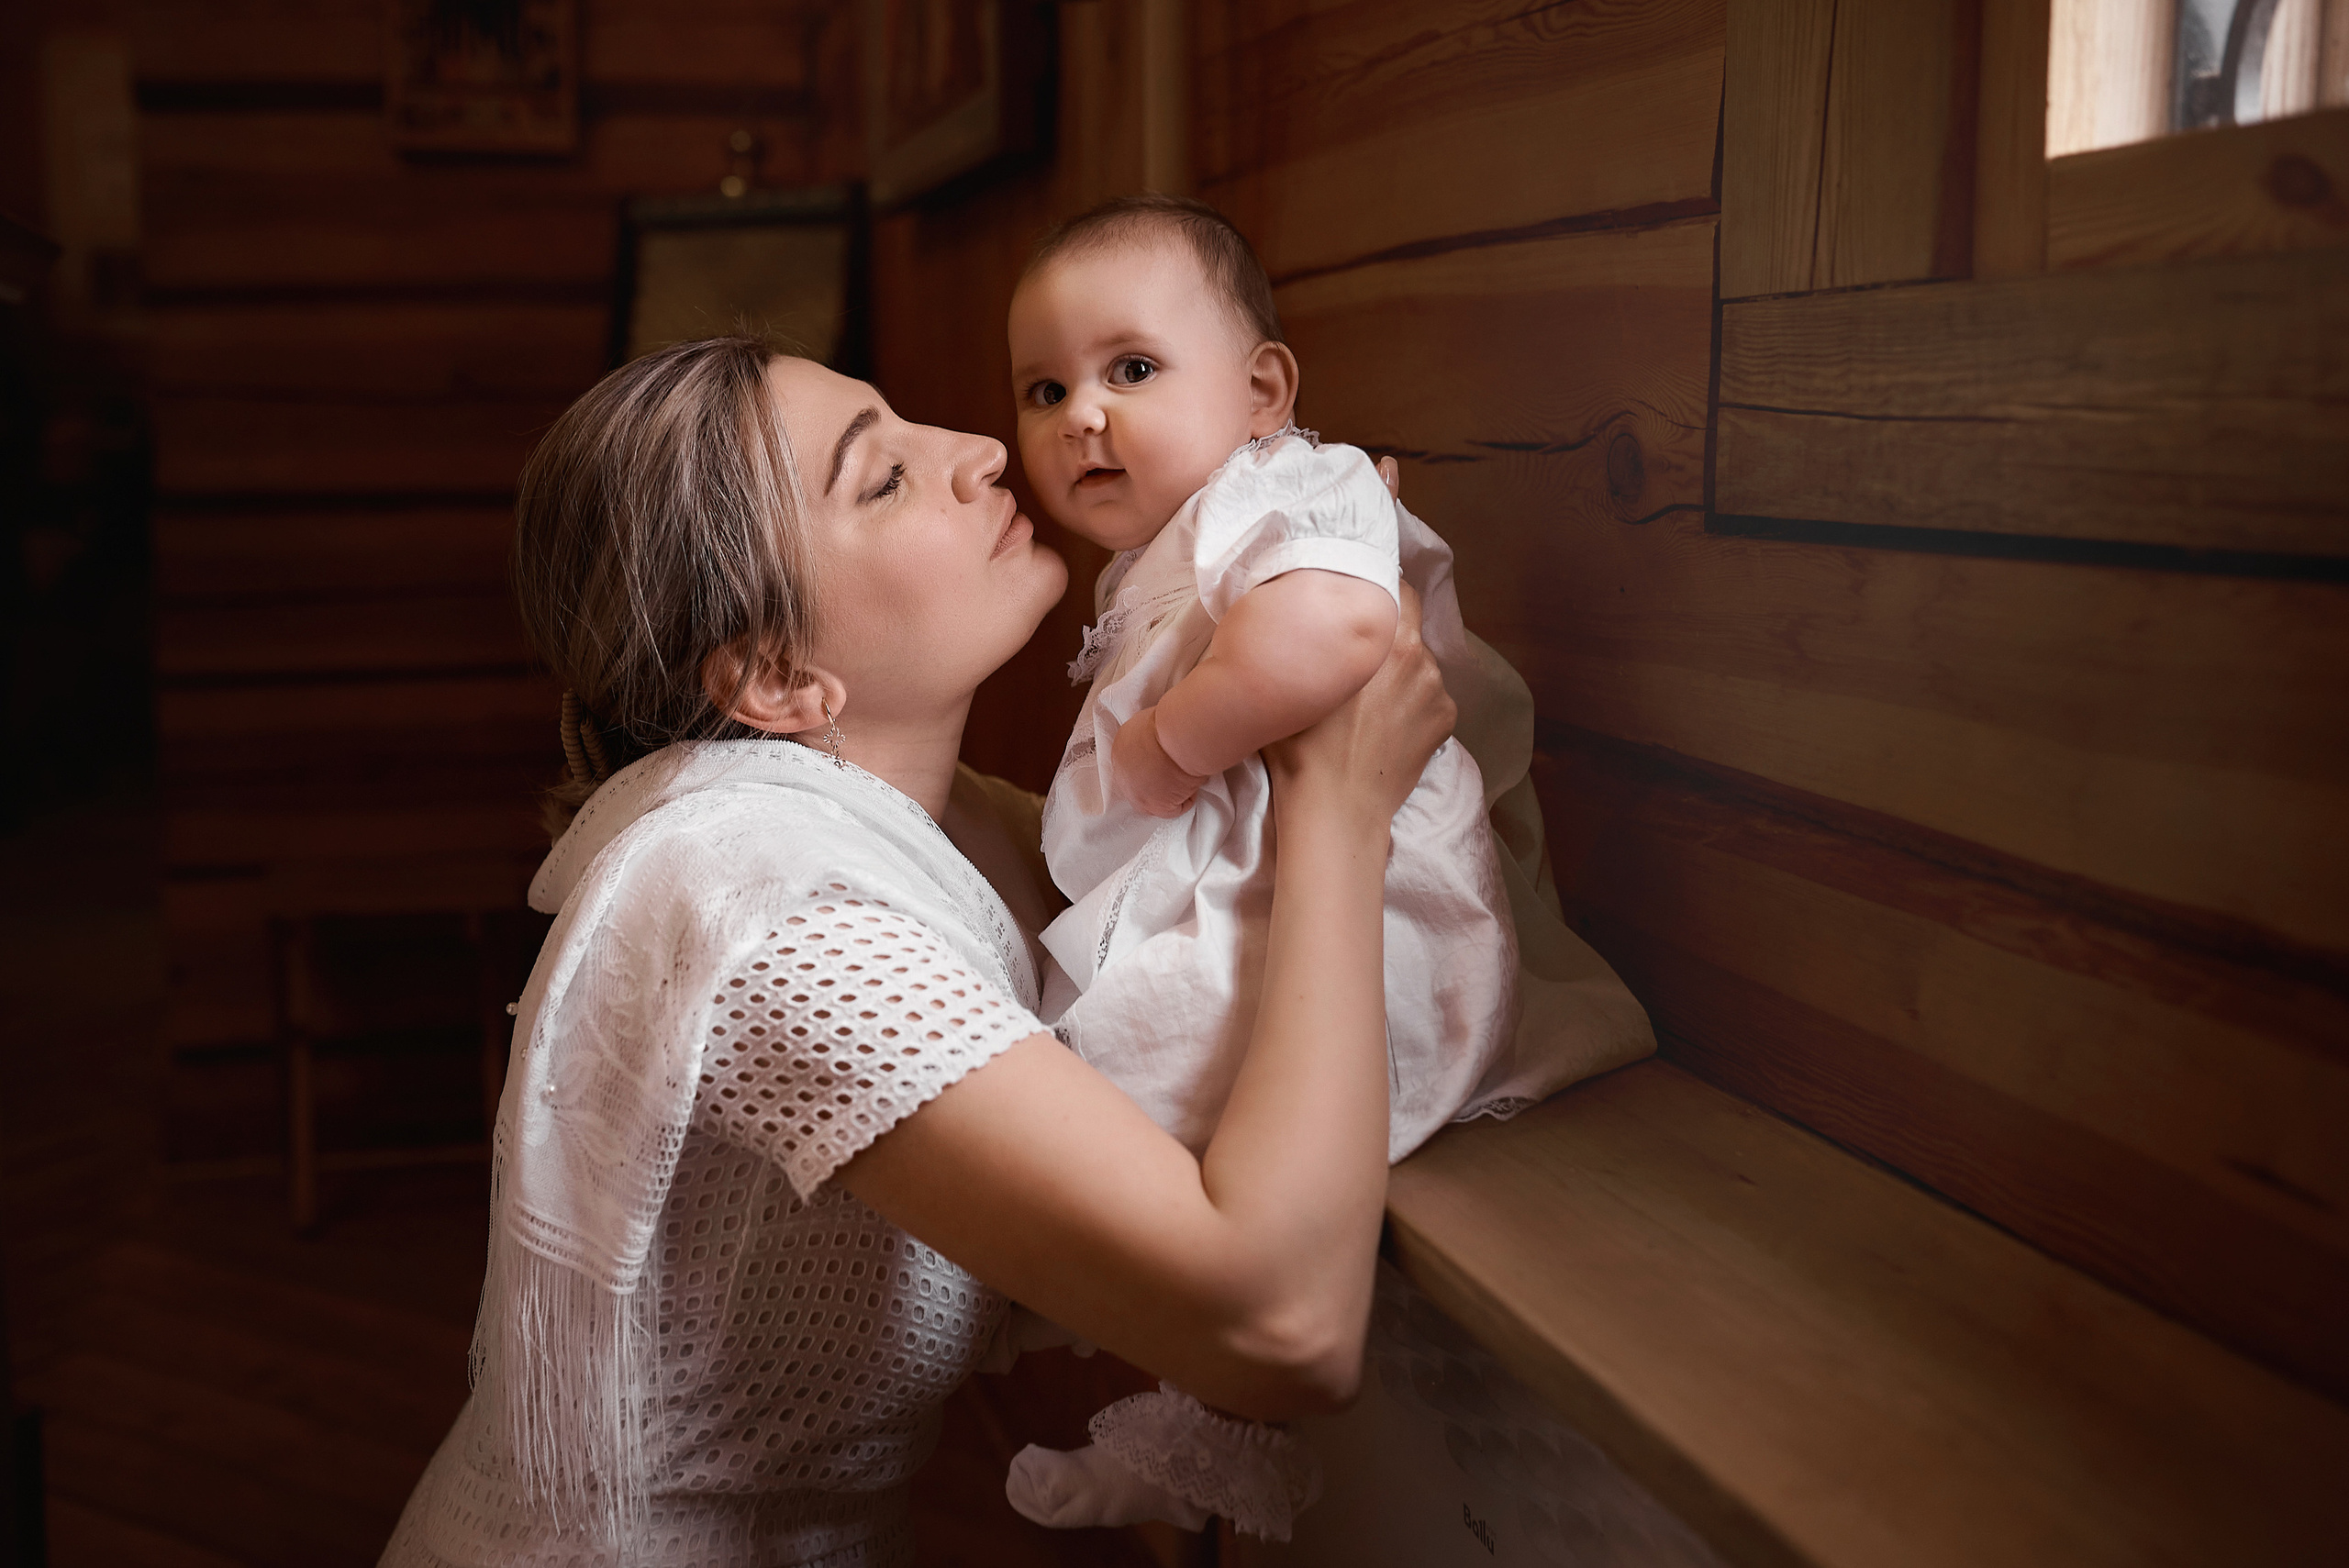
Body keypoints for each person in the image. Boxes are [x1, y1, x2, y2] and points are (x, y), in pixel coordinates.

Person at [377, 334, 1459, 1567]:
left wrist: (1292, 544)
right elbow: (1283, 1326)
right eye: (880, 477)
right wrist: (1340, 802)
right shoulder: (769, 907)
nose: (984, 451)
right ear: (779, 678)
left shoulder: (961, 830)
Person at [996, 195, 1653, 1539]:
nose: (1082, 415)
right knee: (1160, 1127)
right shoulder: (1153, 564)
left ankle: (1161, 1401)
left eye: (1131, 368)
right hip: (1274, 891)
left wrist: (1177, 737)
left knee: (1152, 1107)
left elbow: (1338, 633)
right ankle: (1187, 1420)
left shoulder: (1288, 484)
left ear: (1263, 391)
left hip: (1371, 908)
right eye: (1044, 387)